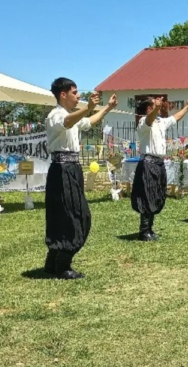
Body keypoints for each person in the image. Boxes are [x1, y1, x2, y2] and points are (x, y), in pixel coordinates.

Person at [44, 77, 118, 280]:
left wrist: (107, 108)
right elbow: (68, 122)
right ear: (63, 94)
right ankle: (63, 265)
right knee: (73, 215)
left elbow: (88, 122)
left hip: (72, 168)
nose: (78, 96)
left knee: (66, 214)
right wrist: (88, 107)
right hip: (62, 169)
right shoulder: (56, 115)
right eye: (75, 93)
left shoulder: (71, 115)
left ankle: (53, 262)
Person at [132, 96, 188, 241]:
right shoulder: (143, 121)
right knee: (147, 196)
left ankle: (150, 229)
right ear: (149, 108)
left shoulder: (160, 122)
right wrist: (158, 108)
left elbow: (174, 118)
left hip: (159, 163)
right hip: (148, 163)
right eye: (154, 105)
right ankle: (144, 230)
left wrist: (187, 106)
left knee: (156, 195)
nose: (158, 106)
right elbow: (149, 120)